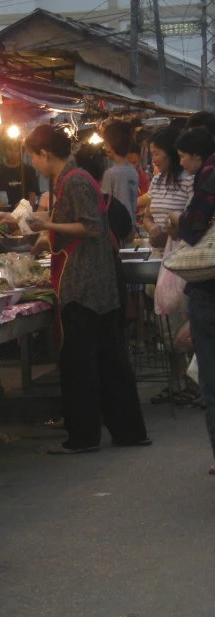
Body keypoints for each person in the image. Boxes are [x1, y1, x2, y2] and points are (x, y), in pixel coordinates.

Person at [0, 125, 149, 454]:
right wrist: (17, 217)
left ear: (45, 154)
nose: (32, 163)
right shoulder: (70, 178)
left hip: (84, 281)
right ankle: (127, 430)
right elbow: (68, 215)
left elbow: (90, 225)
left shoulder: (74, 179)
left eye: (33, 157)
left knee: (81, 362)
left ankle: (83, 437)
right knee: (109, 357)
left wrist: (46, 225)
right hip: (95, 280)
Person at [165, 128, 215, 469]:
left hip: (211, 292)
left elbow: (194, 225)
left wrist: (175, 221)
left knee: (213, 380)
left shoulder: (210, 174)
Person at [143, 127, 195, 405]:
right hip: (157, 259)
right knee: (163, 325)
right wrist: (152, 228)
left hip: (180, 263)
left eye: (156, 153)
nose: (153, 159)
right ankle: (175, 381)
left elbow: (189, 224)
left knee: (180, 323)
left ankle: (190, 381)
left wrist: (172, 230)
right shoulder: (156, 181)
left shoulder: (189, 182)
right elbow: (148, 216)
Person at [74, 145, 133, 333]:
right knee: (114, 343)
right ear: (103, 173)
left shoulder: (75, 204)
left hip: (84, 286)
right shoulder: (112, 203)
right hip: (113, 280)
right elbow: (129, 235)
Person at [102, 120, 139, 227]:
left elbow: (105, 206)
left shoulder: (110, 174)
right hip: (130, 227)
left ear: (109, 146)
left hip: (116, 232)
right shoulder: (132, 171)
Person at [0, 138, 38, 209]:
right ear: (4, 150)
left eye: (17, 150)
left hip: (23, 215)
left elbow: (32, 197)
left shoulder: (29, 171)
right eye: (10, 150)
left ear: (22, 152)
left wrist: (24, 206)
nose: (13, 154)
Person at [127, 143, 151, 227]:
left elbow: (147, 199)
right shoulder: (113, 175)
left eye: (134, 162)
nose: (132, 166)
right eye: (129, 163)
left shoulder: (143, 176)